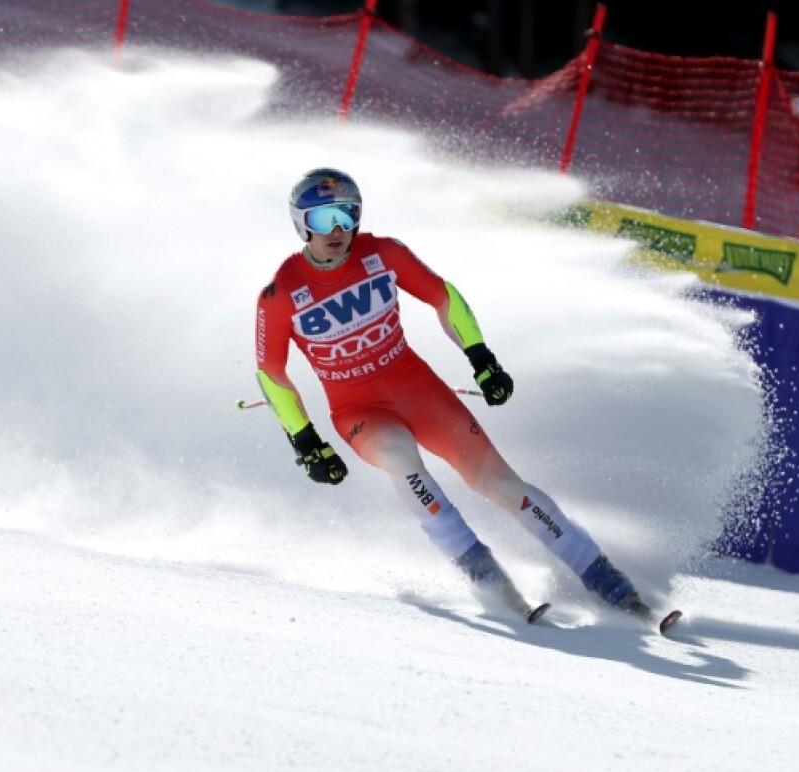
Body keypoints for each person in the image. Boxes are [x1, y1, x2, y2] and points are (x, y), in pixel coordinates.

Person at [254, 167, 669, 626]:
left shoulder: (384, 252)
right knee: (399, 456)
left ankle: (609, 582)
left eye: (347, 214)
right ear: (301, 222)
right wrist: (306, 442)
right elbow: (271, 372)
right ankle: (489, 580)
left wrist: (481, 358)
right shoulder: (281, 293)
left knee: (501, 485)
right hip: (359, 411)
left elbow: (442, 296)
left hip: (420, 392)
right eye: (324, 216)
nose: (337, 229)